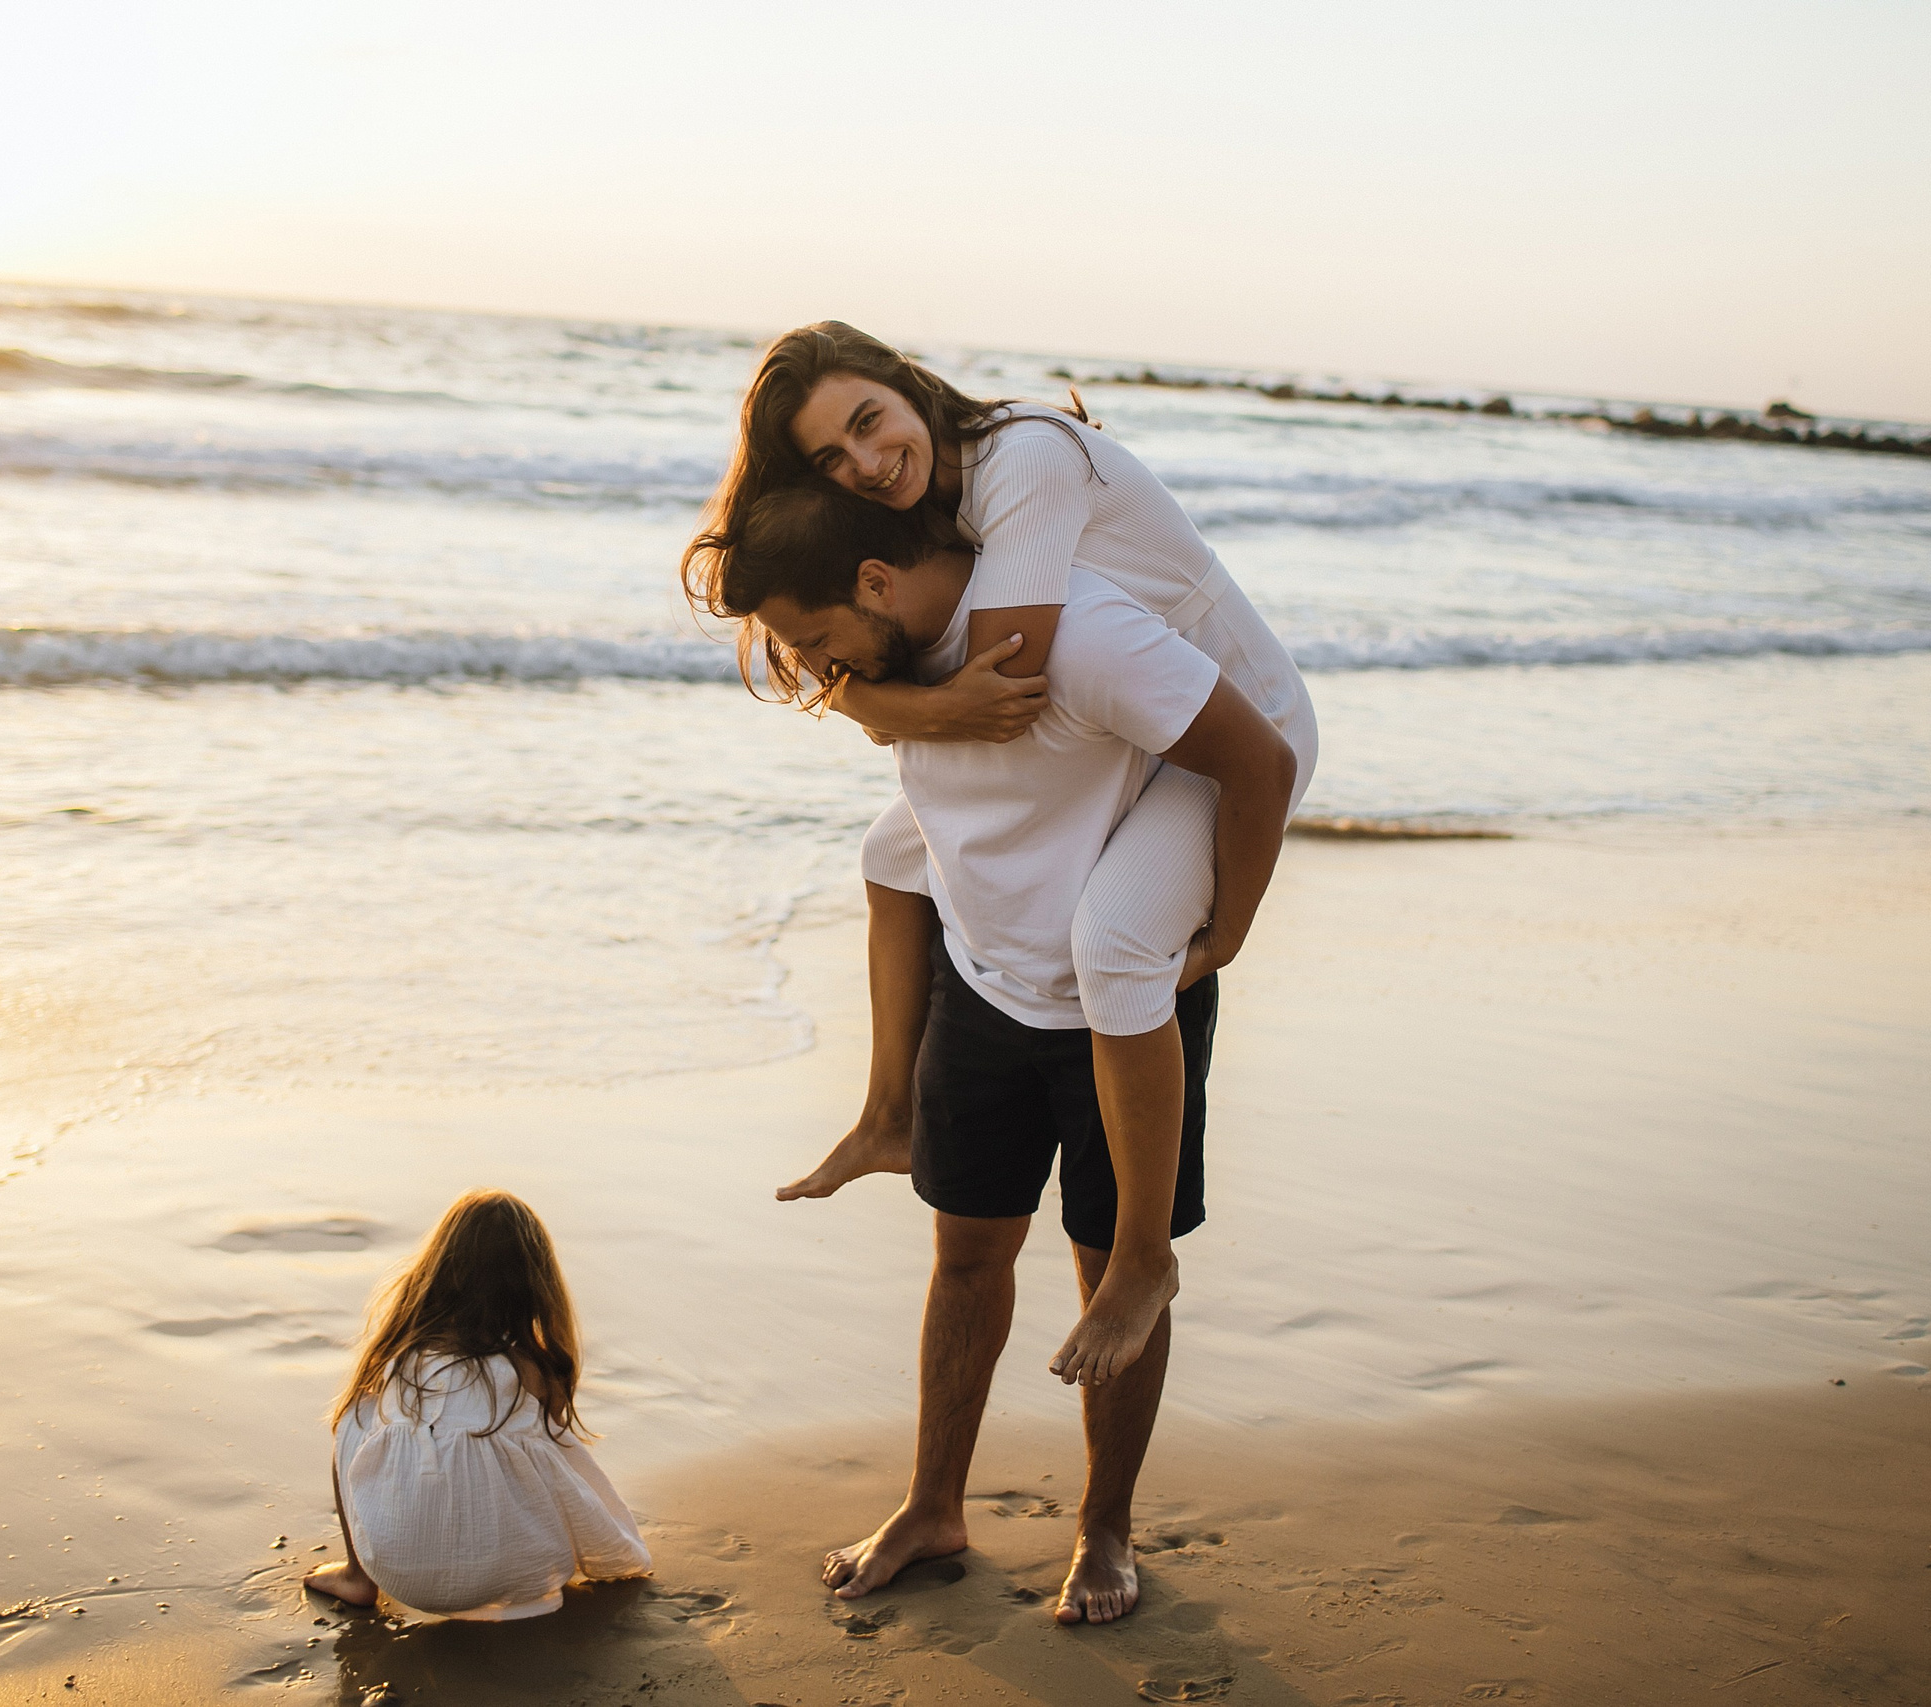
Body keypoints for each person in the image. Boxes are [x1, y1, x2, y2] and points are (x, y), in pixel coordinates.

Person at [682, 322, 1316, 1390]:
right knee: (895, 852)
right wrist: (863, 689)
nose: (864, 467)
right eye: (829, 463)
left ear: (904, 383)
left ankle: (1142, 1259)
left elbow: (1000, 688)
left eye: (867, 424)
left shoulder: (1018, 461)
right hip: (1139, 722)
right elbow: (929, 685)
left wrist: (1235, 922)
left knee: (1115, 944)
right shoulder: (916, 498)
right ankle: (889, 1116)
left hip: (1236, 733)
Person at [709, 480, 1297, 1623]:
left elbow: (1258, 756)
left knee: (1110, 1271)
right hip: (980, 988)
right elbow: (881, 759)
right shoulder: (895, 663)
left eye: (816, 637)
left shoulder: (1085, 638)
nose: (817, 668)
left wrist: (1225, 929)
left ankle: (1106, 1530)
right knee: (965, 1255)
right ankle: (933, 1506)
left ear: (875, 584)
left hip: (1124, 1013)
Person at [305, 1190, 651, 1620]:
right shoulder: (534, 1369)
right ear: (533, 1284)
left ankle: (359, 1578)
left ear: (440, 1269)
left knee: (354, 1415)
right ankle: (521, 1551)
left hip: (399, 1572)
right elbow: (553, 1460)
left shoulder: (404, 1359)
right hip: (528, 1574)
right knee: (546, 1440)